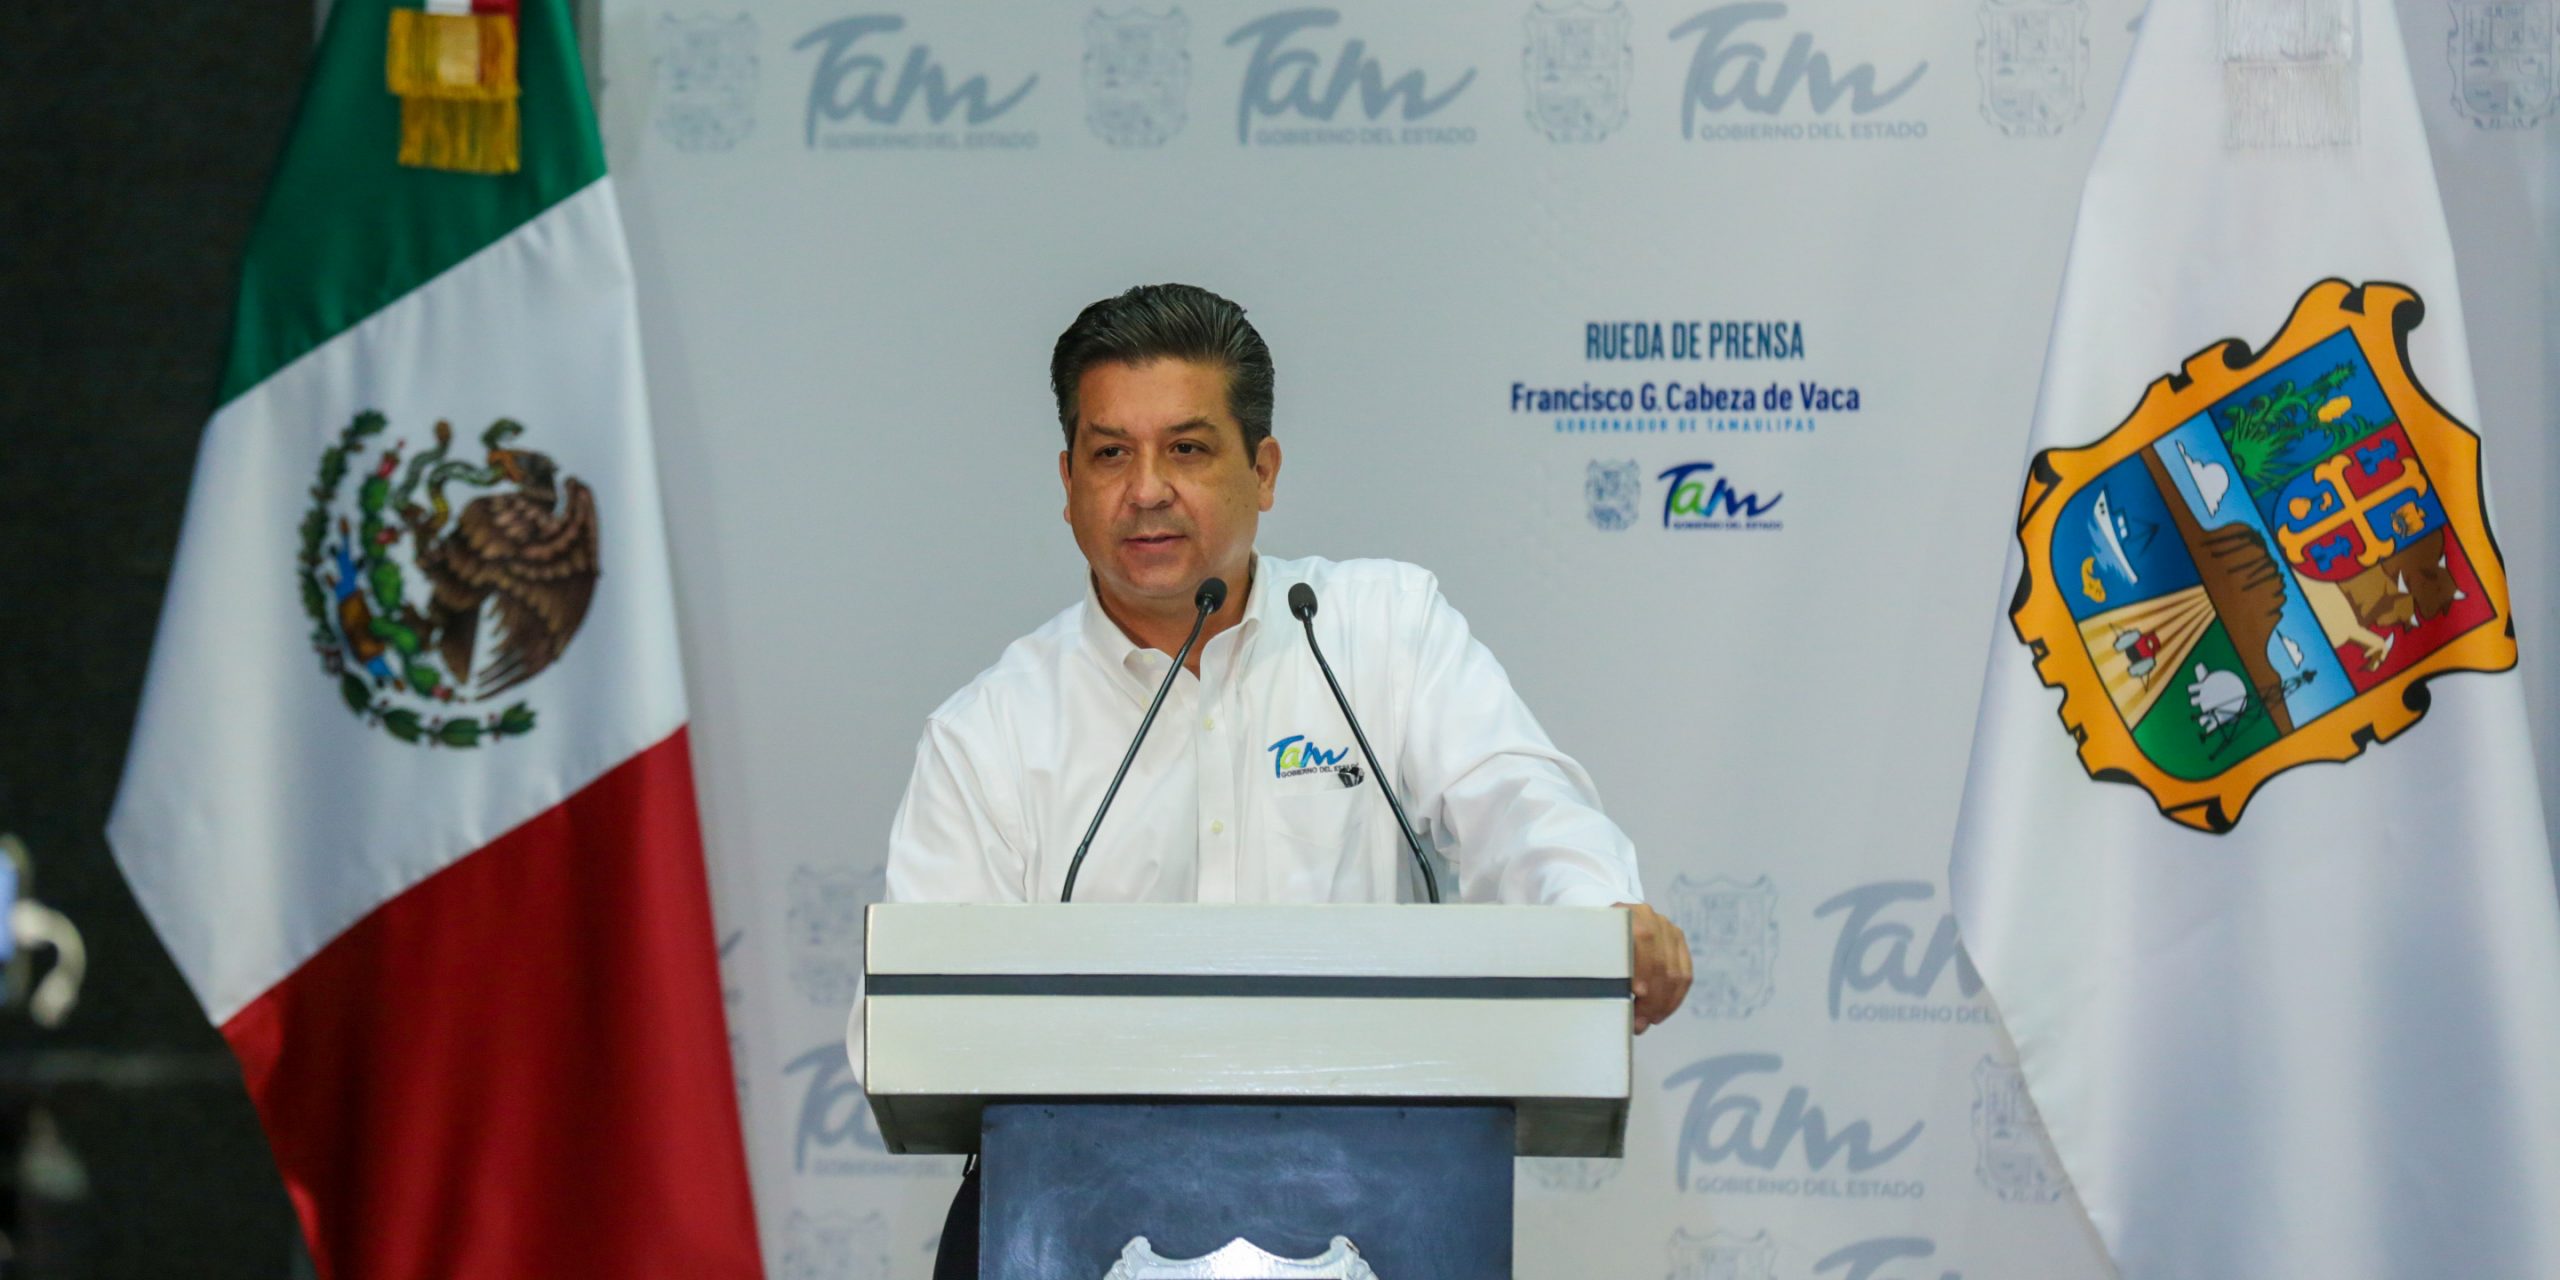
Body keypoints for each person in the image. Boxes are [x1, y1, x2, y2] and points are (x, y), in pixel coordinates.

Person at [882, 283, 1690, 1278]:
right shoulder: (991, 728)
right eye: (1110, 453)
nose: (1146, 489)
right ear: (1066, 480)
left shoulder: (1379, 630)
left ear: (1262, 470)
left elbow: (1520, 801)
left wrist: (1600, 917)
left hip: (1376, 1204)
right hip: (1065, 1216)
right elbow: (907, 1032)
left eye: (1187, 448)